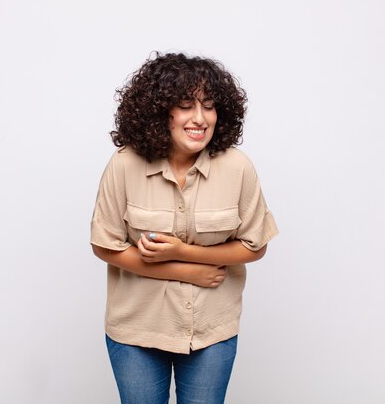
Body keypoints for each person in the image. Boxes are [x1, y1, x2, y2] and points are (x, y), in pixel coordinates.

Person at [90, 52, 278, 404]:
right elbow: (105, 246)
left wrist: (183, 252)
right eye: (186, 105)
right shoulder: (124, 165)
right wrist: (187, 271)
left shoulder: (238, 168)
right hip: (136, 330)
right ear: (160, 111)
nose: (199, 118)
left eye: (208, 106)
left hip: (211, 331)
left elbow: (255, 246)